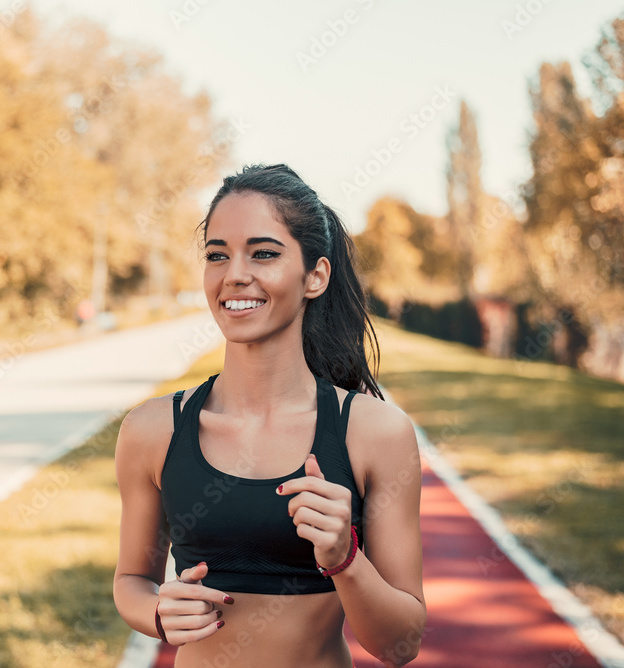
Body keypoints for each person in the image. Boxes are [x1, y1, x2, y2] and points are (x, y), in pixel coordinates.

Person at [112, 164, 425, 667]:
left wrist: (345, 559)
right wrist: (154, 612)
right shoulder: (151, 431)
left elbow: (399, 645)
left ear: (315, 276)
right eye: (218, 255)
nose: (235, 273)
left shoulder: (375, 433)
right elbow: (132, 581)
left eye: (264, 253)